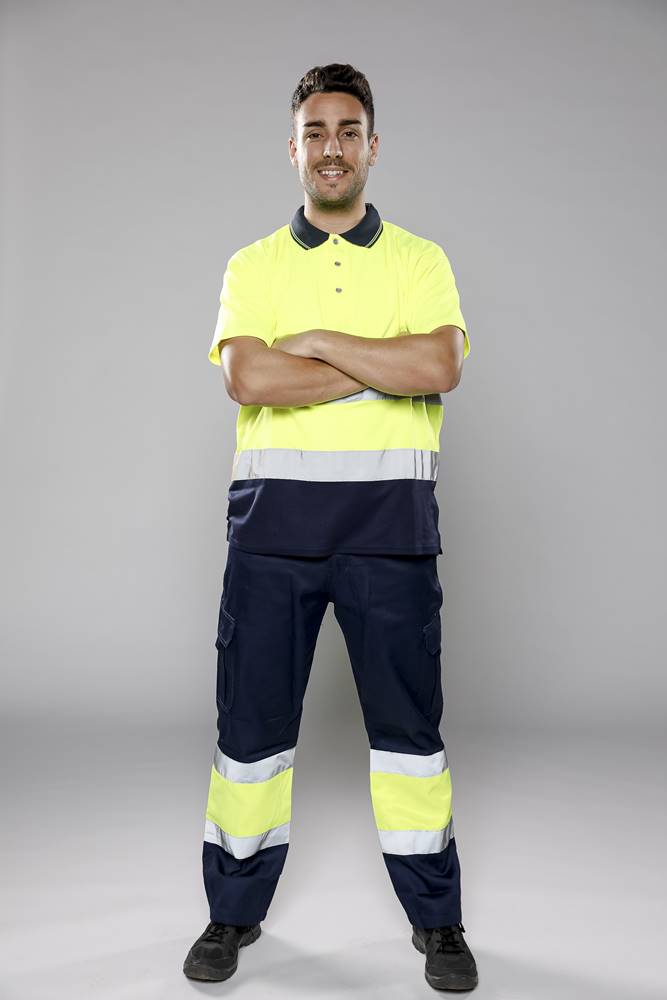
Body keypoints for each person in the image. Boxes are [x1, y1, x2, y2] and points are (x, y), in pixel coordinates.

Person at [182, 62, 478, 992]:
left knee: (410, 739)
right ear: (294, 149)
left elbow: (439, 365)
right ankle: (231, 913)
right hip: (271, 537)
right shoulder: (253, 265)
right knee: (250, 737)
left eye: (348, 130)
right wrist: (380, 365)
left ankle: (437, 923)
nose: (332, 147)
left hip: (392, 533)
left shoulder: (421, 261)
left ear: (372, 146)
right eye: (316, 132)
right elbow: (248, 378)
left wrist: (313, 344)